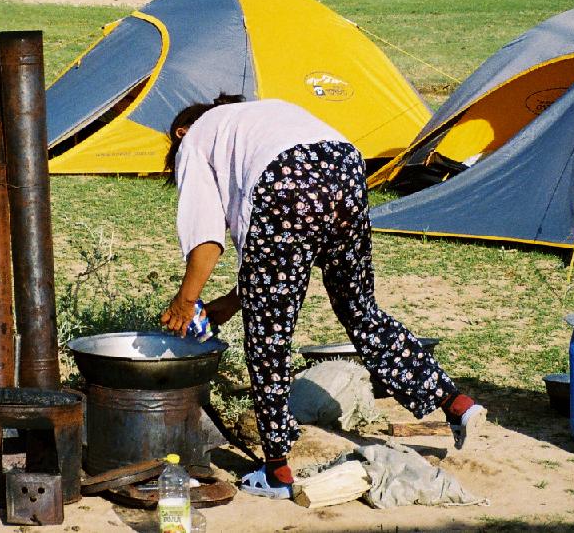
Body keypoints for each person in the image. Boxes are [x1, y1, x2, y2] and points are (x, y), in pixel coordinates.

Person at [161, 95, 485, 500]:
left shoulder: (196, 139)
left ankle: (277, 470)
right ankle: (455, 402)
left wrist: (185, 301)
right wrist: (228, 302)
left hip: (287, 180)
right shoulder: (259, 117)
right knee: (360, 310)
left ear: (181, 132)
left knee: (269, 336)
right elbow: (270, 263)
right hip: (346, 167)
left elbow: (206, 240)